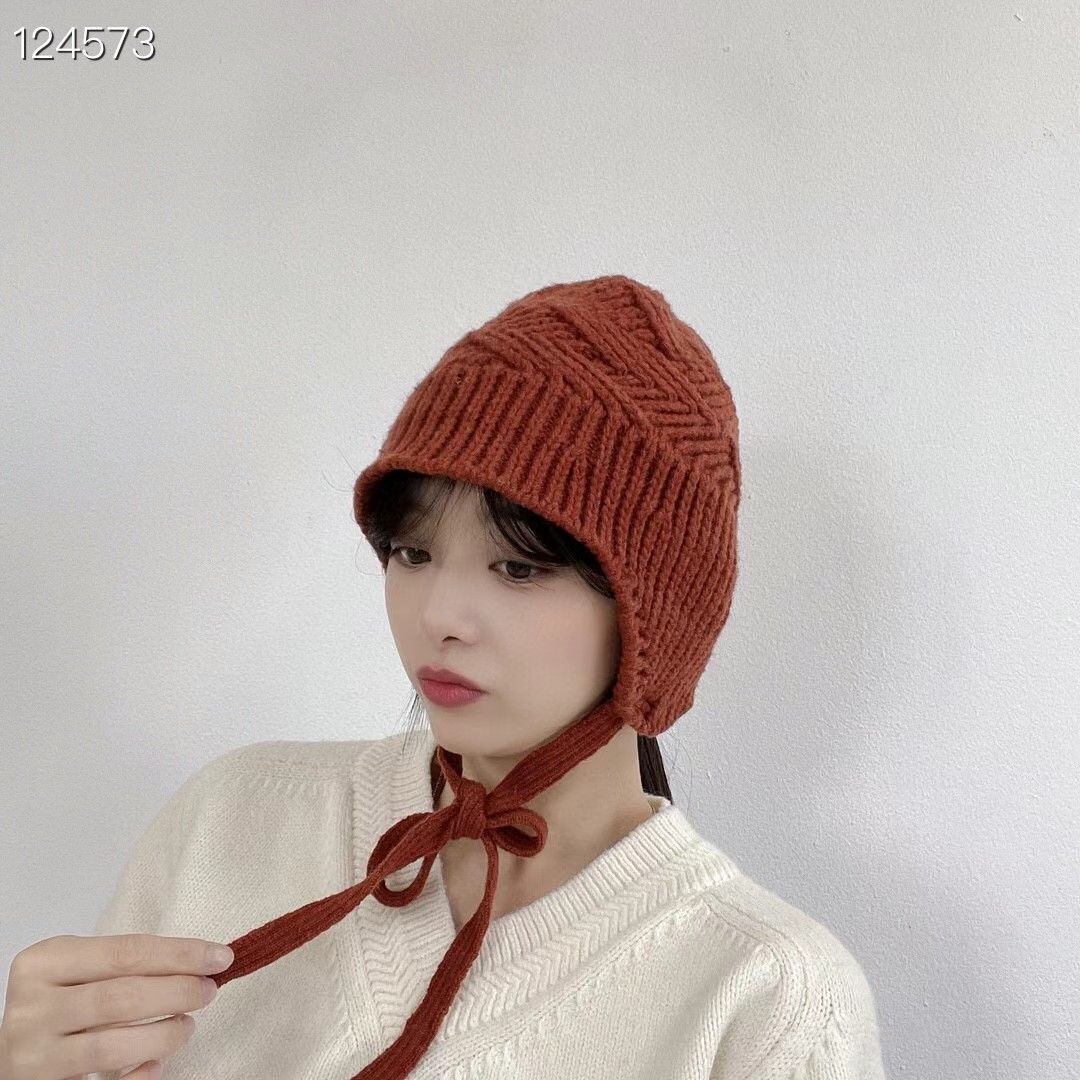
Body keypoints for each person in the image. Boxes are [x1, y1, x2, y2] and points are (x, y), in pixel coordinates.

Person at [1, 275, 886, 1080]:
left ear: (652, 613)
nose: (439, 617)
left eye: (519, 567)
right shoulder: (233, 819)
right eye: (413, 552)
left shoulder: (766, 1000)